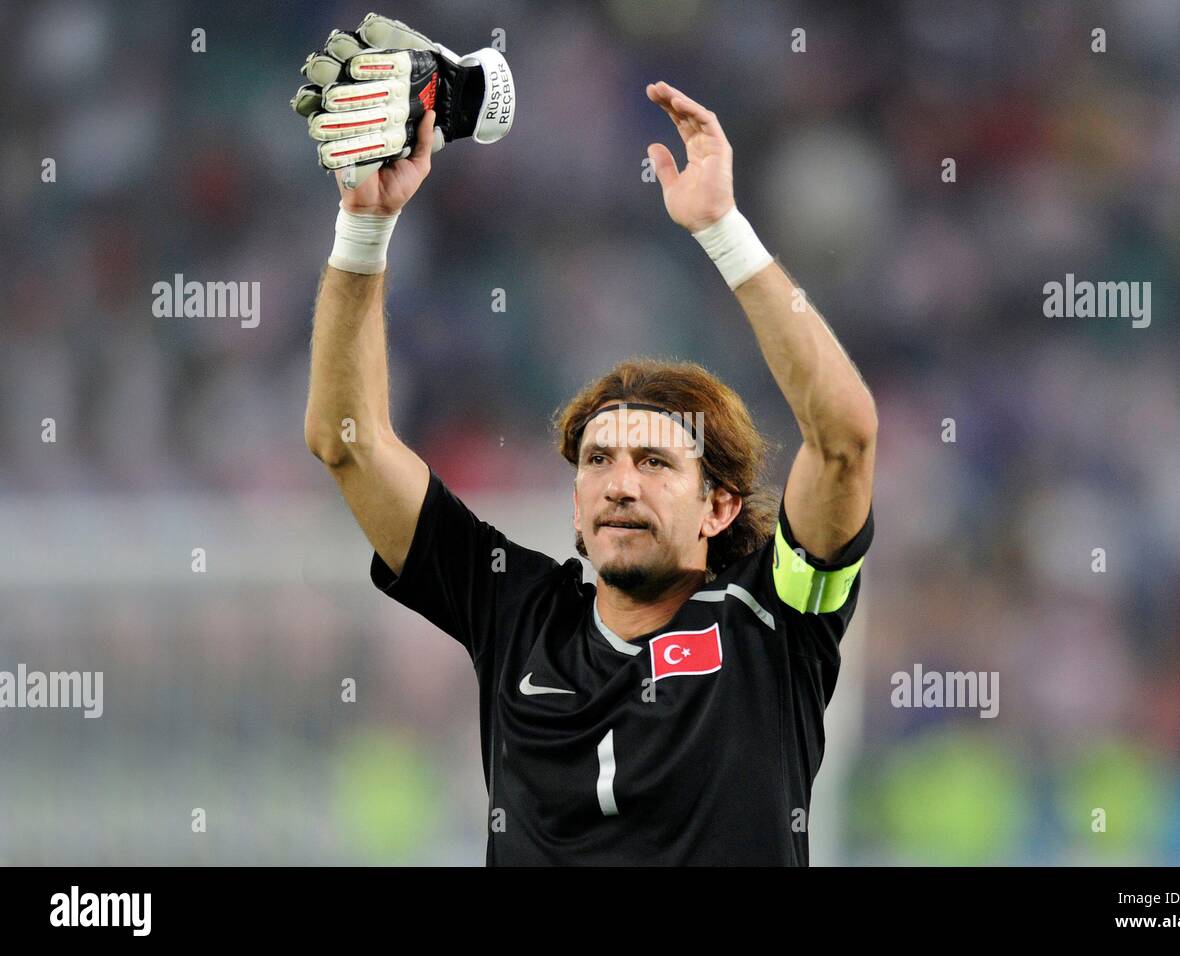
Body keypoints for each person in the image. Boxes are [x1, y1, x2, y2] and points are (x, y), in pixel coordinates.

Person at [304, 80, 878, 865]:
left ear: (718, 508)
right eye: (599, 461)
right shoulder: (515, 611)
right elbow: (349, 444)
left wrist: (723, 230)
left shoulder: (773, 618)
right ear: (575, 506)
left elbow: (843, 437)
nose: (620, 484)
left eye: (654, 463)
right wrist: (363, 229)